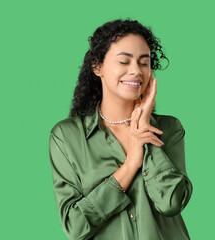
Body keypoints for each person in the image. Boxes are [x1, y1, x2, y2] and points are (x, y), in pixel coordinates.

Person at [48, 18, 193, 240]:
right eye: (124, 61)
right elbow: (75, 227)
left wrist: (144, 129)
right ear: (97, 66)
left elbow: (171, 202)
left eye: (144, 62)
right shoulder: (66, 137)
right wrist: (132, 163)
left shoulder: (169, 128)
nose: (136, 71)